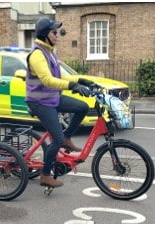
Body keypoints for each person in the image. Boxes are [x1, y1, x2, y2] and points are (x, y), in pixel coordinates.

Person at [25, 18, 95, 188]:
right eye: (54, 32)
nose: (57, 35)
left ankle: (67, 137)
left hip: (52, 99)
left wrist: (81, 80)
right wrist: (72, 86)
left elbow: (61, 76)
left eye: (57, 32)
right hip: (40, 102)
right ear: (45, 35)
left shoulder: (50, 53)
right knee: (56, 139)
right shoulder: (37, 55)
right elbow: (48, 80)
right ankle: (45, 175)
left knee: (82, 107)